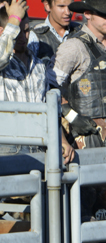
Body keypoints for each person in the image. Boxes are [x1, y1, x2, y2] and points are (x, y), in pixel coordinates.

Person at [52, 0, 106, 149]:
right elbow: (50, 86)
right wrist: (71, 116)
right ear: (87, 14)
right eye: (103, 14)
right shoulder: (73, 46)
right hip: (86, 136)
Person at [0, 0, 74, 163]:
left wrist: (61, 140)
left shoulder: (39, 65)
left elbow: (49, 107)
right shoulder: (3, 64)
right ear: (3, 31)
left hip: (40, 145)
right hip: (9, 146)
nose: (22, 36)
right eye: (17, 31)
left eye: (26, 31)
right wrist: (13, 20)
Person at [27, 0, 77, 68]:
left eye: (71, 6)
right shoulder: (35, 37)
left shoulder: (81, 32)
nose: (67, 12)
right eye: (61, 6)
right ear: (47, 6)